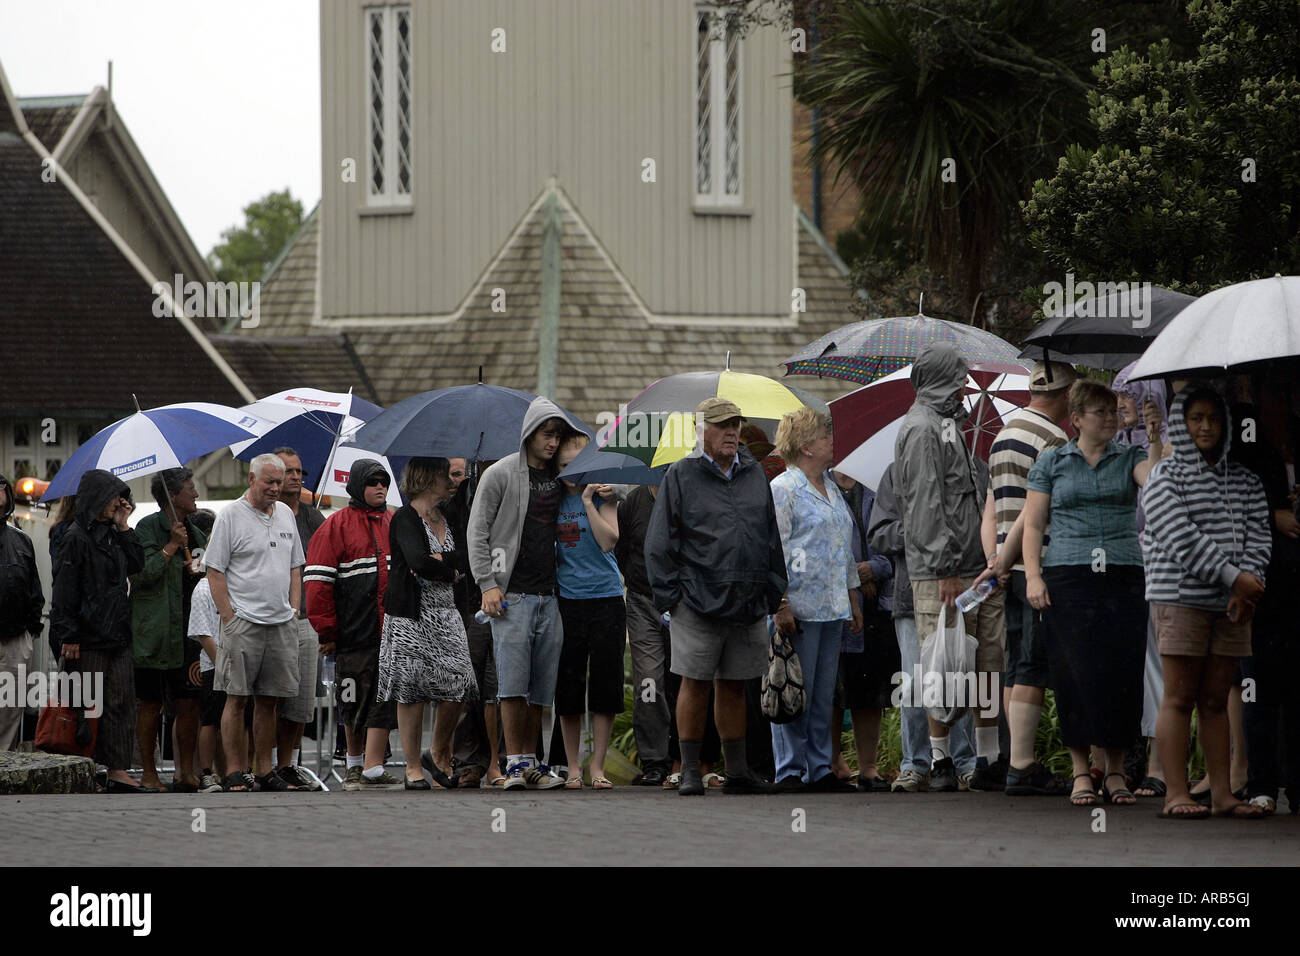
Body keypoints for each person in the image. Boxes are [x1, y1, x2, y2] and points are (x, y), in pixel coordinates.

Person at [988, 380, 1164, 807]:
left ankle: (1117, 770)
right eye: (1100, 412)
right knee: (1074, 673)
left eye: (1113, 412)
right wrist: (1032, 576)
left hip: (1123, 573)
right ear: (1078, 419)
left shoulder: (1130, 456)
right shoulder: (1053, 461)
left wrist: (1156, 440)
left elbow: (1157, 487)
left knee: (1120, 673)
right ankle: (1082, 771)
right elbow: (1031, 524)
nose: (1110, 418)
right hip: (1068, 573)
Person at [645, 397, 787, 795]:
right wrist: (672, 598)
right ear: (701, 430)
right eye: (722, 425)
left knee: (735, 684)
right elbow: (659, 544)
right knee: (695, 682)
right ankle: (690, 770)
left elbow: (770, 536)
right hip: (696, 600)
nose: (731, 432)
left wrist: (773, 589)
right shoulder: (681, 475)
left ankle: (737, 772)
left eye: (735, 425)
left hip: (746, 601)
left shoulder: (755, 473)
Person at [1143, 385, 1271, 819]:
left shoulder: (1246, 480)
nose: (1205, 426)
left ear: (1227, 424)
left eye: (1213, 419)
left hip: (1234, 604)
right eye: (1195, 418)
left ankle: (1221, 794)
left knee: (1216, 699)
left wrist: (1250, 582)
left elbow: (1259, 534)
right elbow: (1182, 538)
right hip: (1180, 598)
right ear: (1180, 422)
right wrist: (1236, 579)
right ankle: (1175, 793)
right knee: (1178, 697)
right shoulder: (1164, 476)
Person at [893, 344, 1006, 790]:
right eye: (959, 374)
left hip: (973, 568)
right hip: (945, 571)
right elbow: (924, 504)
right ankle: (939, 762)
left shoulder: (945, 423)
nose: (965, 382)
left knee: (983, 663)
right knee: (941, 663)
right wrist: (944, 567)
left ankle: (986, 761)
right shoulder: (921, 428)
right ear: (941, 376)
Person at [468, 398, 586, 791]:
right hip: (511, 594)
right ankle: (514, 763)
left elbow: (598, 478)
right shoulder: (501, 473)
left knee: (541, 687)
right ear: (529, 434)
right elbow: (477, 531)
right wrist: (487, 584)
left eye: (557, 436)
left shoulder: (562, 475)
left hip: (550, 594)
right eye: (547, 434)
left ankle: (531, 763)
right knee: (512, 685)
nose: (553, 443)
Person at [984, 361, 1077, 796]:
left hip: (1006, 563)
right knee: (1032, 663)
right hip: (1034, 563)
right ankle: (1022, 763)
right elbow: (1032, 510)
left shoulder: (1004, 432)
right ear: (1066, 392)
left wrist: (994, 559)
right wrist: (1007, 560)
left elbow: (993, 505)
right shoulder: (1054, 439)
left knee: (1014, 662)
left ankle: (1013, 757)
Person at [768, 409, 863, 793]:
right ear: (806, 446)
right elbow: (775, 549)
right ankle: (790, 769)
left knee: (823, 692)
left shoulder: (831, 487)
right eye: (825, 435)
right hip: (800, 607)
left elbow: (844, 547)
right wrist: (781, 604)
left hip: (832, 606)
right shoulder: (784, 489)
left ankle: (820, 767)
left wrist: (853, 597)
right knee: (793, 688)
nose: (831, 441)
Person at [870, 461, 978, 791]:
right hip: (911, 597)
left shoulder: (974, 471)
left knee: (958, 677)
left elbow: (984, 525)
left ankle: (965, 762)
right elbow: (880, 534)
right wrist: (921, 528)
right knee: (915, 683)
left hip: (964, 593)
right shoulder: (896, 473)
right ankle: (915, 763)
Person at [203, 453, 305, 792]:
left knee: (270, 700)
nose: (276, 488)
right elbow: (214, 570)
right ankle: (234, 770)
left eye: (280, 482)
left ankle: (264, 770)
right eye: (270, 482)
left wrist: (294, 608)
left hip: (281, 622)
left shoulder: (287, 515)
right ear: (251, 480)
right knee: (237, 697)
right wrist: (229, 618)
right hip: (244, 621)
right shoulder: (231, 515)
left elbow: (295, 567)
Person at [381, 457, 479, 789]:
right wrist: (449, 570)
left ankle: (437, 751)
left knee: (460, 683)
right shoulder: (405, 517)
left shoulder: (450, 514)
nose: (452, 481)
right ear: (426, 478)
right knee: (412, 691)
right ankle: (412, 768)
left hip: (447, 612)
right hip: (411, 615)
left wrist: (447, 562)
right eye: (444, 476)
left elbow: (467, 555)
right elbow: (417, 561)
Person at [49, 470, 148, 791]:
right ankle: (84, 765)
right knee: (85, 704)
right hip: (87, 636)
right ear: (94, 499)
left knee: (120, 701)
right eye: (110, 498)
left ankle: (117, 769)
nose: (115, 503)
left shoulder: (112, 534)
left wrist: (123, 525)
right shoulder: (75, 537)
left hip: (117, 635)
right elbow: (64, 589)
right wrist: (69, 634)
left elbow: (136, 563)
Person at [305, 458, 399, 790]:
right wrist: (327, 632)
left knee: (384, 699)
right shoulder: (334, 526)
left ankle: (374, 767)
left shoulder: (396, 521)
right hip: (351, 634)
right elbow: (317, 586)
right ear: (357, 486)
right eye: (373, 482)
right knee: (352, 698)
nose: (380, 488)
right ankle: (354, 765)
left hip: (393, 634)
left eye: (384, 482)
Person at [1233, 372, 1300, 814]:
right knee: (1257, 680)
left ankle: (1294, 784)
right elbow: (1233, 486)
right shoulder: (1244, 429)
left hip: (1295, 576)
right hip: (1261, 572)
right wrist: (1273, 510)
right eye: (1277, 389)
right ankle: (1261, 783)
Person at [549, 434, 624, 790]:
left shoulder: (603, 496)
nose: (570, 473)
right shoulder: (551, 501)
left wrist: (589, 502)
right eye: (564, 466)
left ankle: (598, 766)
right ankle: (572, 766)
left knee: (606, 683)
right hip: (568, 600)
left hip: (607, 598)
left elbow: (609, 540)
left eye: (577, 466)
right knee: (569, 683)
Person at [1112, 361, 1172, 797]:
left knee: (1157, 664)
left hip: (1159, 566)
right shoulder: (1113, 444)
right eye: (1118, 396)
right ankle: (1124, 762)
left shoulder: (1172, 445)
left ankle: (1160, 765)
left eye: (1132, 395)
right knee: (1124, 664)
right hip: (1120, 565)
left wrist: (1152, 439)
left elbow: (1154, 494)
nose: (1122, 404)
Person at [130, 467, 206, 792]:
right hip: (154, 633)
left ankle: (184, 772)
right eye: (191, 488)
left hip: (188, 633)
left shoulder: (197, 533)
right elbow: (141, 575)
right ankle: (149, 773)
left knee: (188, 703)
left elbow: (205, 578)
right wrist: (171, 548)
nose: (197, 494)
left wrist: (196, 569)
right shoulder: (147, 528)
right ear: (172, 494)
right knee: (150, 703)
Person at [828, 469, 896, 791]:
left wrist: (874, 569)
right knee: (833, 687)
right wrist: (852, 577)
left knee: (870, 689)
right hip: (834, 601)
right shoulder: (822, 487)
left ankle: (868, 767)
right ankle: (832, 762)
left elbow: (895, 543)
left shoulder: (877, 487)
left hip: (876, 602)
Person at [447, 457, 506, 788]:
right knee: (470, 686)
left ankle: (497, 761)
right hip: (466, 600)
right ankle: (468, 762)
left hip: (504, 595)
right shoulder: (461, 497)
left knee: (497, 686)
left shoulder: (513, 485)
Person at [272, 448, 327, 790]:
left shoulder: (313, 517)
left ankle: (287, 764)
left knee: (300, 702)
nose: (295, 477)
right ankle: (259, 766)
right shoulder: (264, 514)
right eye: (288, 471)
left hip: (307, 619)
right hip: (269, 618)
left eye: (299, 472)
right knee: (268, 699)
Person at [618, 481, 673, 786]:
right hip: (641, 602)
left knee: (685, 679)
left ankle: (687, 759)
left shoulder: (685, 494)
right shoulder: (633, 502)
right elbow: (622, 550)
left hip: (682, 602)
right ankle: (655, 760)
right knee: (650, 681)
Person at [0, 474, 43, 751]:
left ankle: (4, 766)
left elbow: (33, 587)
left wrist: (30, 631)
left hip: (14, 638)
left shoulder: (21, 540)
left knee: (9, 707)